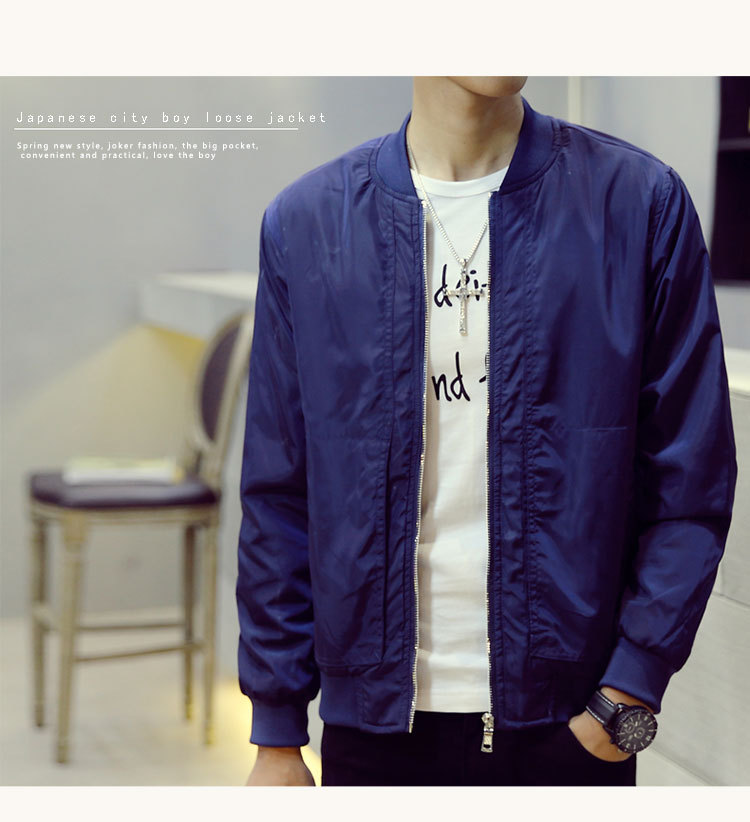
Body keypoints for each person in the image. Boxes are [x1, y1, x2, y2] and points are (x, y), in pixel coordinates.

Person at [236, 76, 738, 786]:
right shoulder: (309, 223)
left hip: (571, 726)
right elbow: (280, 493)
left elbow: (691, 479)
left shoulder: (637, 202)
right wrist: (278, 732)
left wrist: (628, 691)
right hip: (372, 728)